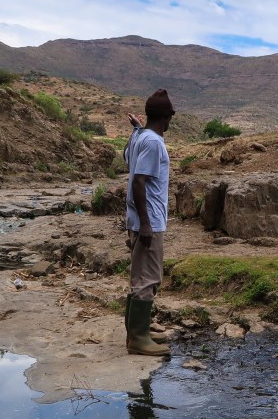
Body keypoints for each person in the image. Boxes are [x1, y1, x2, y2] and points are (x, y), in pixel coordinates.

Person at [123, 89, 175, 357]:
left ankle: (137, 330)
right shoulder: (154, 143)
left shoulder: (140, 137)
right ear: (167, 117)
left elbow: (129, 162)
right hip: (149, 221)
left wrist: (137, 128)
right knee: (148, 278)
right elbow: (140, 181)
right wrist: (145, 224)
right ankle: (138, 340)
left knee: (139, 277)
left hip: (139, 218)